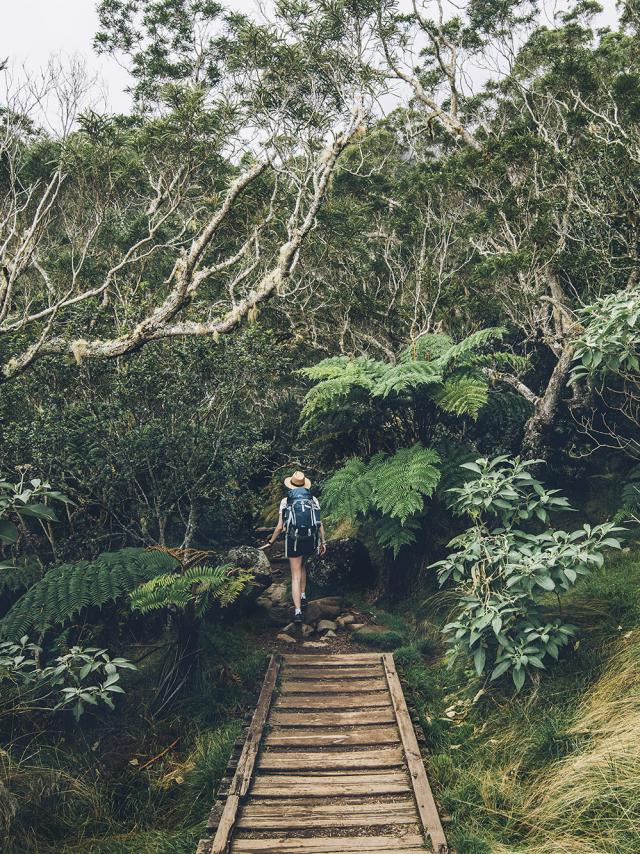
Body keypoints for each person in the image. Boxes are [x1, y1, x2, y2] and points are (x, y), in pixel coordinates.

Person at [261, 470, 326, 624]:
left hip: (293, 540)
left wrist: (270, 542)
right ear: (305, 484)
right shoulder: (313, 499)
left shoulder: (286, 501)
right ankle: (303, 596)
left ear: (291, 485)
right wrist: (323, 542)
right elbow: (319, 522)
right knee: (303, 565)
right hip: (310, 539)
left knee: (295, 575)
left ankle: (297, 612)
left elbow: (279, 527)